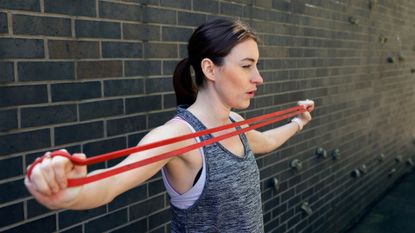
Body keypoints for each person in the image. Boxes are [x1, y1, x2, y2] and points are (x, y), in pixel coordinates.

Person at [25, 18, 314, 232]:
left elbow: (266, 141)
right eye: (247, 65)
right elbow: (112, 181)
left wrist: (298, 122)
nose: (258, 78)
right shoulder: (177, 136)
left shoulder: (235, 123)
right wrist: (67, 192)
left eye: (257, 66)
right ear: (210, 69)